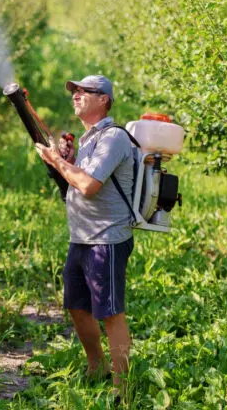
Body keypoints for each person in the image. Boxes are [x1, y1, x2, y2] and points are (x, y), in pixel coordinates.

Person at [34, 75, 134, 402]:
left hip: (106, 238)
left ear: (103, 98)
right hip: (81, 237)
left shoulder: (113, 138)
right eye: (74, 92)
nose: (76, 96)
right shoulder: (90, 139)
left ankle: (123, 387)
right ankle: (96, 367)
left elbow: (90, 186)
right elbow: (73, 185)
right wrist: (66, 161)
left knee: (109, 311)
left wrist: (59, 162)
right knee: (78, 306)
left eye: (83, 91)